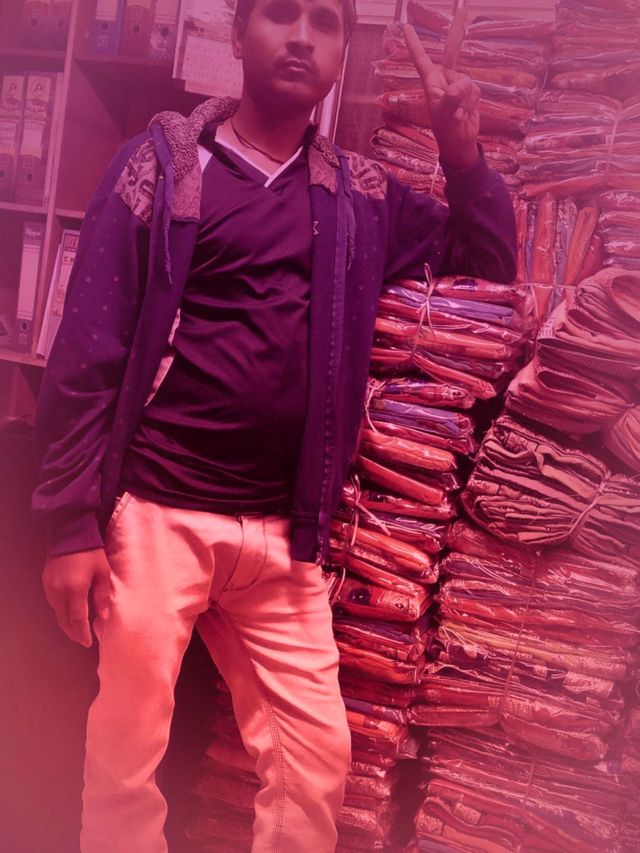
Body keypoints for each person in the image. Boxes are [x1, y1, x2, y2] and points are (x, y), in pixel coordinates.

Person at [32, 0, 517, 850]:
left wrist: (461, 150)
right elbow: (89, 343)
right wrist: (69, 525)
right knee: (125, 754)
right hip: (159, 512)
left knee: (314, 758)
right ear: (238, 33)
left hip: (283, 533)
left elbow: (485, 267)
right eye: (281, 13)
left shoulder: (360, 197)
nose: (301, 37)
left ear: (341, 51)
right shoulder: (161, 165)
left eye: (324, 22)